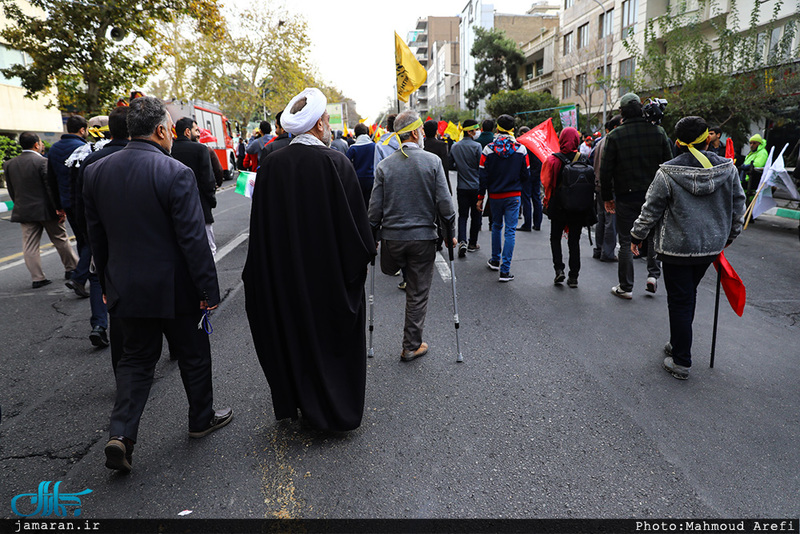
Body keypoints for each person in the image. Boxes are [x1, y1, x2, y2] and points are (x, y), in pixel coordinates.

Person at [83, 96, 230, 473]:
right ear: (163, 130)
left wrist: (104, 281)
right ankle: (201, 418)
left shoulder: (96, 172)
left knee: (134, 360)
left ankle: (122, 434)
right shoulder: (175, 171)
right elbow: (193, 240)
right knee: (194, 354)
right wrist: (208, 292)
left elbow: (96, 236)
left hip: (126, 286)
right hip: (176, 287)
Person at [243, 88, 374, 431]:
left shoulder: (271, 165)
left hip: (286, 279)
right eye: (327, 121)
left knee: (296, 338)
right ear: (318, 125)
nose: (329, 127)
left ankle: (301, 404)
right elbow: (357, 234)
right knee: (331, 342)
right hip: (329, 279)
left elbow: (261, 230)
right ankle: (335, 410)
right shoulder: (335, 163)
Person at [630, 116, 746, 380]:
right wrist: (729, 237)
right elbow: (739, 206)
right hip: (710, 247)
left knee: (681, 300)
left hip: (676, 248)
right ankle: (677, 342)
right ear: (708, 138)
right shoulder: (728, 168)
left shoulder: (668, 172)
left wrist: (636, 235)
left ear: (678, 141)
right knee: (687, 295)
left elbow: (650, 210)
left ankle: (681, 360)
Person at [369, 110, 455, 361]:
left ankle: (395, 268)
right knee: (417, 293)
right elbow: (446, 206)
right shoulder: (432, 162)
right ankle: (410, 345)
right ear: (416, 133)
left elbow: (374, 210)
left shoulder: (384, 165)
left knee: (391, 267)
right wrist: (451, 233)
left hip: (392, 240)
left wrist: (371, 237)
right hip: (422, 239)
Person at [600, 92, 673, 299]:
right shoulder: (658, 132)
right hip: (654, 196)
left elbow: (606, 171)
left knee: (625, 240)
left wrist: (607, 197)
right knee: (652, 236)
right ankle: (652, 276)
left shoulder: (614, 136)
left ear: (622, 112)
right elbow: (669, 166)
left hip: (626, 196)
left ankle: (626, 287)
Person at [74, 107, 132, 350]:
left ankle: (100, 325)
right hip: (138, 237)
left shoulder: (90, 160)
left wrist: (86, 236)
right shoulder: (146, 156)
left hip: (102, 237)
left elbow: (79, 203)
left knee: (100, 280)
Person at [4, 132, 78, 289]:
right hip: (46, 210)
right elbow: (50, 188)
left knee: (29, 245)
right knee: (60, 238)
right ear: (36, 145)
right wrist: (59, 208)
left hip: (24, 211)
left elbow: (12, 190)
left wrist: (19, 204)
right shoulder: (43, 162)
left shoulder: (9, 164)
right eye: (40, 143)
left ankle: (37, 278)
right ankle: (71, 269)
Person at [477, 114, 530, 282]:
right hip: (513, 195)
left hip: (495, 196)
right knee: (510, 231)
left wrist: (480, 197)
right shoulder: (521, 149)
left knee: (496, 226)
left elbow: (483, 176)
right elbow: (526, 174)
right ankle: (505, 270)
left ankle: (494, 260)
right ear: (512, 129)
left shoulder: (488, 149)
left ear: (497, 128)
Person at [541, 127, 597, 287]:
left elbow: (546, 183)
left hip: (559, 205)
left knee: (555, 238)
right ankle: (574, 276)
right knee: (574, 241)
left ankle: (559, 269)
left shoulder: (553, 160)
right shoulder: (584, 159)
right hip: (579, 207)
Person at [48, 115, 90, 294]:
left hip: (67, 202)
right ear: (82, 130)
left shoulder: (54, 148)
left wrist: (58, 205)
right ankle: (80, 278)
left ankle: (82, 275)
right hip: (84, 202)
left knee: (82, 240)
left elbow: (51, 179)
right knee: (91, 240)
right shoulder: (83, 148)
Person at [171, 117, 218, 255]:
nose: (199, 134)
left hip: (176, 209)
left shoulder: (169, 150)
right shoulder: (201, 149)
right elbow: (208, 181)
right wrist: (212, 200)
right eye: (196, 130)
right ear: (187, 132)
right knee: (209, 249)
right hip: (201, 206)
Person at [449, 119, 482, 257]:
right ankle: (472, 243)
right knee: (476, 215)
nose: (477, 132)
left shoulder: (455, 147)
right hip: (476, 187)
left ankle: (462, 240)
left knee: (462, 216)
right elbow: (481, 166)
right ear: (469, 131)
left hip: (461, 187)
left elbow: (451, 164)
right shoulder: (477, 146)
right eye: (475, 130)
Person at [590, 115, 622, 262]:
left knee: (601, 218)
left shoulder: (600, 142)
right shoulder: (613, 142)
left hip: (599, 185)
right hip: (610, 187)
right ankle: (607, 252)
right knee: (610, 220)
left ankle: (599, 248)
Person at [516, 126, 543, 232]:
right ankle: (537, 223)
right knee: (536, 198)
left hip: (527, 175)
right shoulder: (536, 143)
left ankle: (527, 224)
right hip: (537, 174)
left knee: (526, 198)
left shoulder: (525, 145)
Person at [346, 122, 377, 208]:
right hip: (372, 179)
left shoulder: (353, 148)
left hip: (357, 180)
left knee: (360, 205)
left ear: (356, 134)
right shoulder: (374, 146)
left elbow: (346, 163)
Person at [741, 133, 768, 200]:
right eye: (750, 143)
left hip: (753, 179)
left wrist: (746, 167)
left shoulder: (762, 152)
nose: (752, 145)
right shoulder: (752, 153)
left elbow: (758, 164)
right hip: (746, 179)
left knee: (750, 200)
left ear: (759, 144)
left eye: (754, 143)